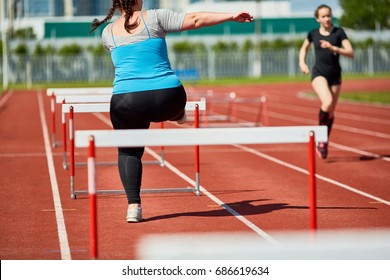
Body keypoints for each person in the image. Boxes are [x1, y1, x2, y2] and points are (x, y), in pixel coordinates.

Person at [90, 0, 253, 222]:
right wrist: (231, 16)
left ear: (116, 4)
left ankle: (133, 206)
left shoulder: (107, 33)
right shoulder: (155, 17)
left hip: (126, 101)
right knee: (170, 106)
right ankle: (177, 114)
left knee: (129, 152)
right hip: (167, 97)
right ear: (139, 0)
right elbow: (196, 19)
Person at [299, 4, 354, 159]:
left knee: (330, 112)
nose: (327, 18)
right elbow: (304, 48)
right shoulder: (313, 33)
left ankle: (324, 141)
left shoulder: (339, 32)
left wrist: (334, 48)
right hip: (319, 74)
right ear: (318, 19)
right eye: (323, 16)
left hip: (335, 76)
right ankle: (320, 139)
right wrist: (302, 63)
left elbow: (350, 53)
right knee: (327, 101)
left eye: (329, 15)